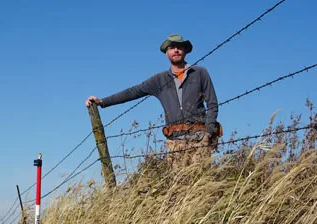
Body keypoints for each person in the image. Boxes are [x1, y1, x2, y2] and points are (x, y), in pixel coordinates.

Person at [86, 34, 220, 169]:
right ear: (166, 52)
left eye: (179, 47)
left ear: (185, 50)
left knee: (201, 183)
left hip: (199, 138)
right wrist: (102, 101)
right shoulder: (159, 80)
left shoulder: (200, 73)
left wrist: (208, 135)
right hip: (174, 142)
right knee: (179, 186)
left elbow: (212, 104)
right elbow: (132, 92)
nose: (176, 50)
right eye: (172, 48)